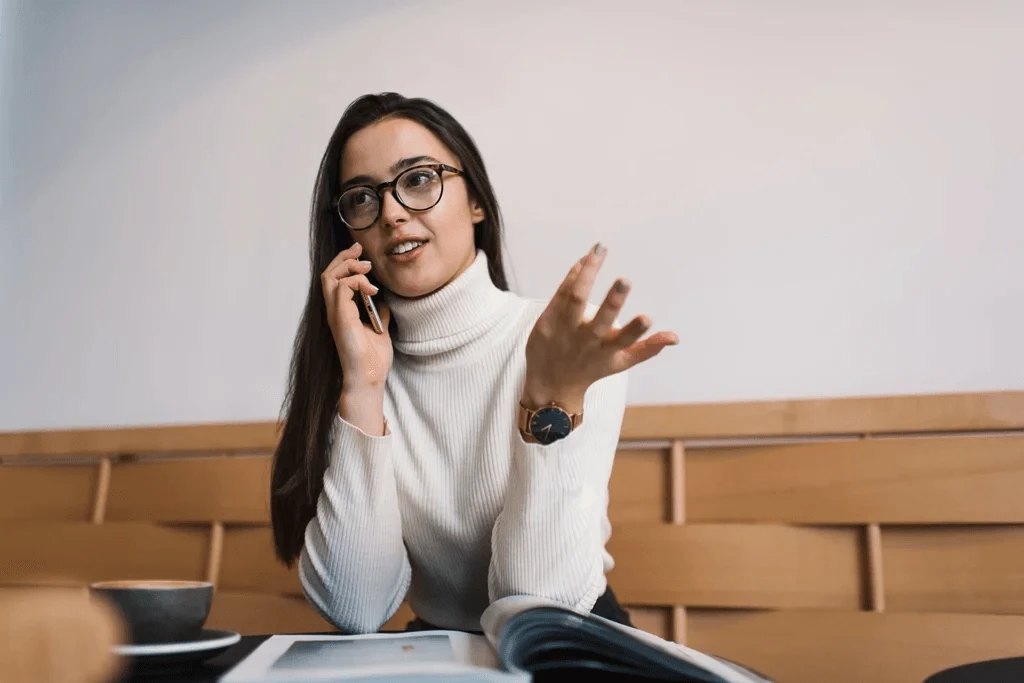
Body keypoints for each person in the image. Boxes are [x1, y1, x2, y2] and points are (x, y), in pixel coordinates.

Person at [270, 92, 678, 635]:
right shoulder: (356, 367)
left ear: (477, 202)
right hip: (440, 654)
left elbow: (540, 610)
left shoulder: (564, 346)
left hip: (566, 645)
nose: (391, 212)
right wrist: (363, 387)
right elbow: (357, 608)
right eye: (363, 198)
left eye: (417, 179)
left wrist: (549, 398)